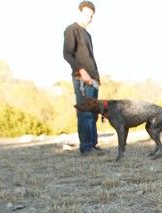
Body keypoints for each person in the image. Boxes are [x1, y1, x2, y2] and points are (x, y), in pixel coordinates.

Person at [63, 1, 103, 155]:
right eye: (86, 15)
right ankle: (86, 147)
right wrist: (82, 72)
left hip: (93, 79)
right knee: (85, 112)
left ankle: (93, 145)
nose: (89, 18)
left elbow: (90, 58)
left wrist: (96, 78)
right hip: (82, 79)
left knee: (93, 113)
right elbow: (67, 54)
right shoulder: (71, 30)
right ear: (79, 12)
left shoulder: (87, 34)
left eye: (91, 16)